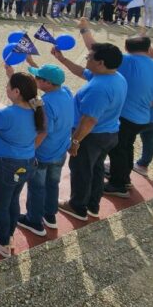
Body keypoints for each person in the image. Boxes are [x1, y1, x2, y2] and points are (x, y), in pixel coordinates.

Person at [73, 23, 153, 199]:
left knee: (119, 150)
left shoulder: (128, 61)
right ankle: (124, 178)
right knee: (125, 147)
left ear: (126, 48)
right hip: (143, 115)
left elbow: (96, 50)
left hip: (126, 116)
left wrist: (84, 29)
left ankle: (119, 184)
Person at [52, 42, 126, 221]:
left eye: (89, 57)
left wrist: (75, 142)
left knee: (81, 170)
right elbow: (81, 72)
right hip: (109, 133)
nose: (86, 58)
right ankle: (93, 204)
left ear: (100, 63)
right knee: (97, 168)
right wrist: (62, 59)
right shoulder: (115, 77)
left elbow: (89, 120)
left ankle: (77, 206)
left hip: (91, 136)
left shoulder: (98, 88)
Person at [0, 62, 44, 258]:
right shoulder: (36, 109)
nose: (6, 88)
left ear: (16, 92)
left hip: (4, 165)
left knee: (1, 202)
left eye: (8, 86)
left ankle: (1, 241)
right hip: (26, 162)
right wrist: (12, 74)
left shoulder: (6, 114)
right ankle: (7, 231)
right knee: (13, 199)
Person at [17, 62, 74, 236]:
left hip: (43, 153)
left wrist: (30, 151)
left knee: (37, 187)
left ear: (47, 83)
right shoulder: (66, 92)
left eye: (38, 78)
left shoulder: (46, 104)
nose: (35, 80)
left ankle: (34, 220)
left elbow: (43, 131)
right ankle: (50, 215)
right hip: (60, 150)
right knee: (52, 183)